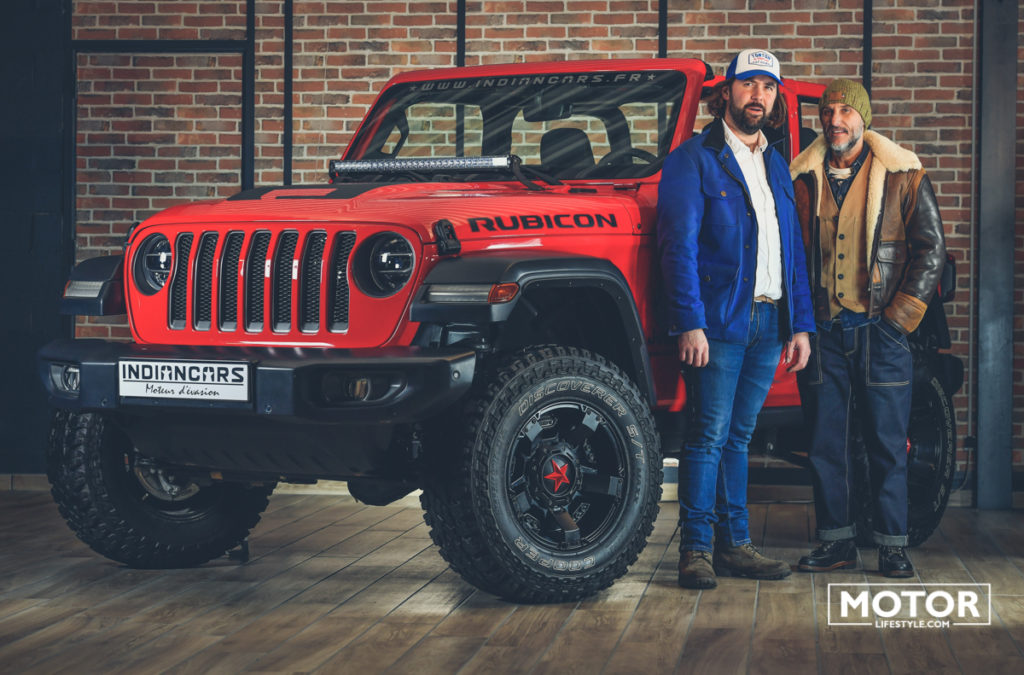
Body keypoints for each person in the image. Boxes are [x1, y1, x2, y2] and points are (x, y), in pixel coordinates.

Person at [657, 49, 815, 590]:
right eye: (748, 84)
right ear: (727, 91)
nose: (757, 96)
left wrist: (800, 325)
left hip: (770, 322)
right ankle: (696, 551)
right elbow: (677, 248)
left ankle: (736, 545)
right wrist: (689, 322)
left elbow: (791, 251)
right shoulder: (693, 159)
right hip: (718, 324)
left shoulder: (777, 162)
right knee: (708, 435)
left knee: (740, 437)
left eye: (767, 87)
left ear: (774, 99)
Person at [790, 79, 946, 577]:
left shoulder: (904, 174)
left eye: (846, 111)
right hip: (823, 333)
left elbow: (931, 251)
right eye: (828, 111)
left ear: (864, 118)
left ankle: (893, 546)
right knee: (825, 445)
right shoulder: (802, 178)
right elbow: (792, 257)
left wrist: (898, 322)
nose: (835, 120)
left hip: (881, 330)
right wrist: (799, 323)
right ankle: (836, 543)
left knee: (887, 444)